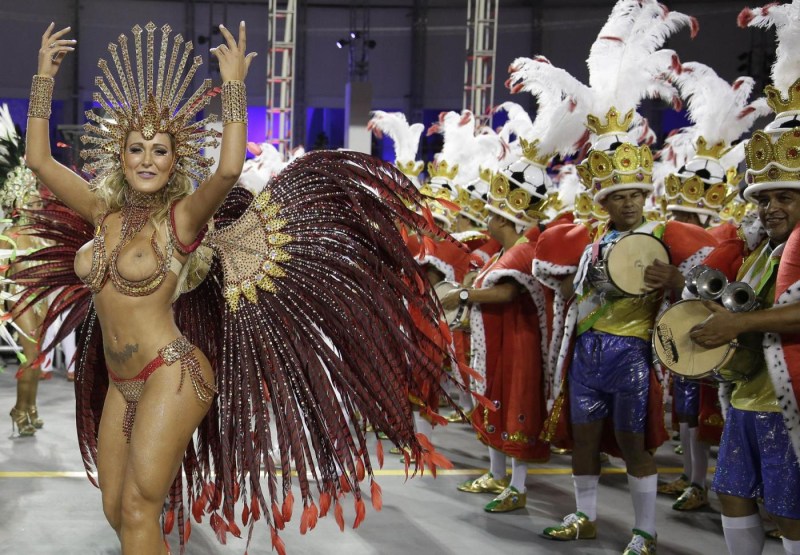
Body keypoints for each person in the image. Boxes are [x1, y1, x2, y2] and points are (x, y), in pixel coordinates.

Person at [19, 21, 461, 554]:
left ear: (175, 160)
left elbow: (229, 170)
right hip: (122, 382)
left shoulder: (179, 222)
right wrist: (42, 79)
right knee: (117, 509)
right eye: (137, 149)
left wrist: (232, 87)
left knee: (140, 508)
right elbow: (39, 161)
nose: (147, 161)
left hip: (170, 374)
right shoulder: (101, 211)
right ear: (121, 154)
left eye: (161, 151)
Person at [684, 5, 800, 554]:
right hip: (748, 398)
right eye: (766, 197)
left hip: (789, 401)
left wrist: (736, 324)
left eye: (786, 196)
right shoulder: (763, 248)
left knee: (789, 511)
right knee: (732, 494)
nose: (772, 207)